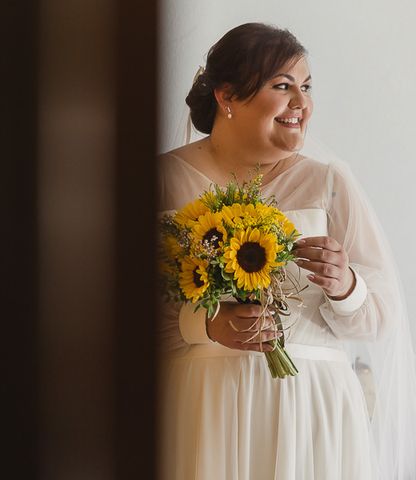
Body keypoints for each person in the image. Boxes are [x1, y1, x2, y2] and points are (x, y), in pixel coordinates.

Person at [157, 23, 416, 480]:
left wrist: (347, 286)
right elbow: (115, 320)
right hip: (205, 406)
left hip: (314, 411)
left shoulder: (331, 182)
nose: (302, 103)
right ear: (227, 96)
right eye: (283, 86)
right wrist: (206, 325)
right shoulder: (164, 179)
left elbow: (383, 315)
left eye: (307, 87)